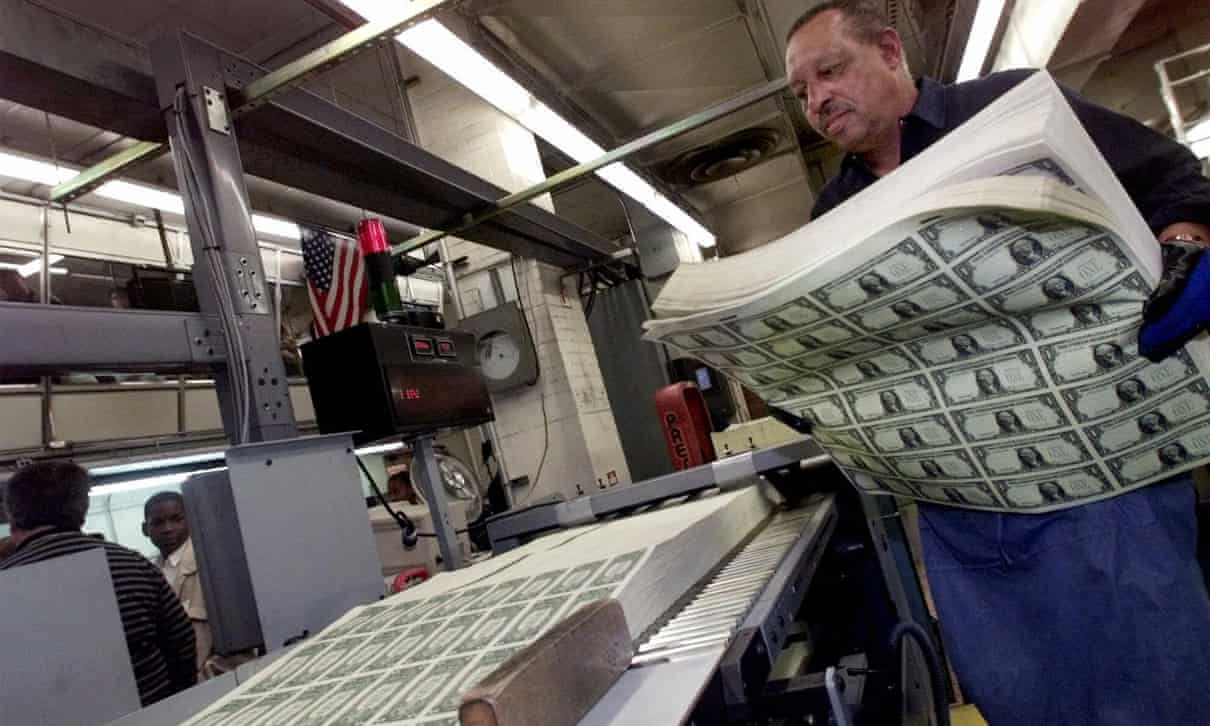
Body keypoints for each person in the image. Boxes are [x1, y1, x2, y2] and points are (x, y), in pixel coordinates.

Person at [786, 2, 1210, 724]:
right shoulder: (832, 217)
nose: (817, 100)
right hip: (969, 515)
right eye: (801, 93)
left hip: (1103, 472)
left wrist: (1188, 246)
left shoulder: (1010, 107)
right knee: (1026, 697)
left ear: (890, 51)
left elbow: (1170, 176)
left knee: (1159, 688)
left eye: (830, 71)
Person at [1, 462, 195, 705]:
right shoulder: (133, 565)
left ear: (13, 515)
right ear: (82, 509)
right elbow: (182, 643)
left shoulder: (6, 585)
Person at [142, 491, 253, 680]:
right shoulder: (149, 573)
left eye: (176, 519)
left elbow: (241, 645)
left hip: (215, 682)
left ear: (191, 520)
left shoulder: (212, 565)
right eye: (158, 523)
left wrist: (201, 679)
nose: (168, 528)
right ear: (145, 529)